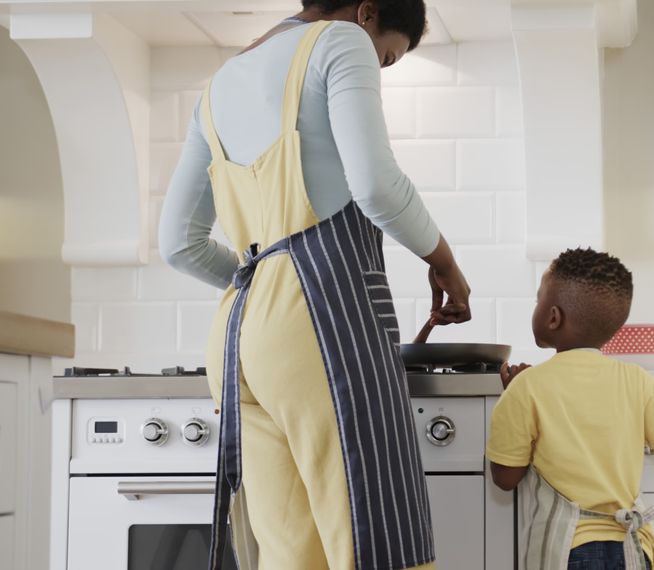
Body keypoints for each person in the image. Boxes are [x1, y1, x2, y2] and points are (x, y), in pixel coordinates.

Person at [158, 1, 471, 568]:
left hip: (237, 339)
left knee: (290, 551)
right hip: (320, 327)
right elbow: (376, 186)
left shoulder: (217, 89)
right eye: (387, 56)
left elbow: (179, 244)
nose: (379, 67)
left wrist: (268, 280)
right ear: (366, 13)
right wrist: (443, 259)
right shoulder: (340, 41)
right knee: (375, 539)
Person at [486, 248, 654, 569]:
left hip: (566, 550)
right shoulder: (639, 382)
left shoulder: (527, 386)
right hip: (631, 547)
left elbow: (505, 478)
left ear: (553, 317)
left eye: (537, 300)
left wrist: (512, 401)